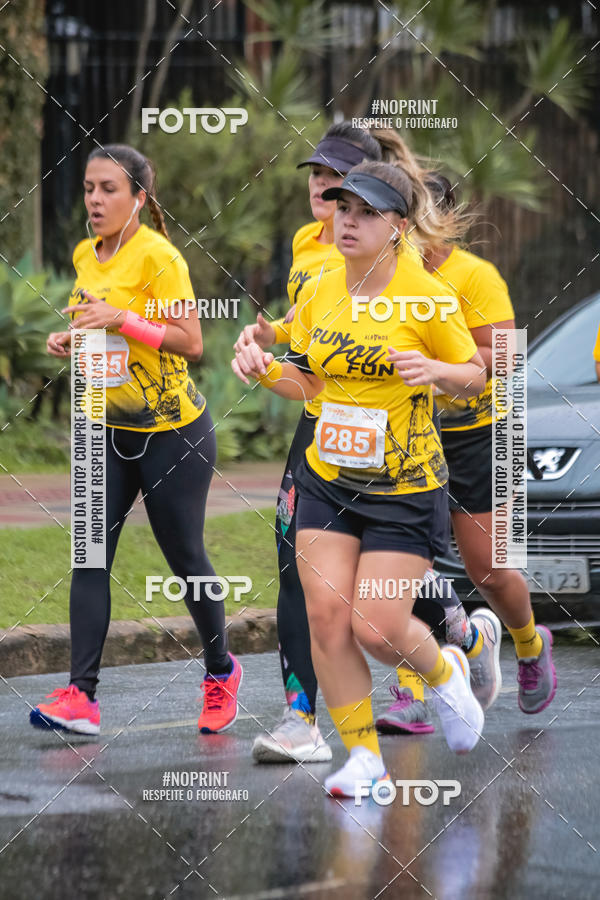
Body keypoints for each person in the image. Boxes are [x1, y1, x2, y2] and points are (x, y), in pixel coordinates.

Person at [233, 160, 488, 798]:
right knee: (326, 619)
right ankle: (364, 755)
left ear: (398, 226)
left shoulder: (426, 297)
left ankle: (445, 671)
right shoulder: (321, 287)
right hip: (329, 479)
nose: (347, 220)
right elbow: (311, 383)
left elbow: (476, 375)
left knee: (374, 626)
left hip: (404, 487)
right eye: (344, 207)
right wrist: (264, 363)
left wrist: (434, 371)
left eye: (366, 212)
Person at [30, 144, 241, 736]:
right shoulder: (84, 253)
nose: (95, 200)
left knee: (186, 559)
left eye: (109, 190)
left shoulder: (160, 257)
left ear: (139, 199)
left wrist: (121, 320)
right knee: (90, 554)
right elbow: (94, 318)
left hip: (172, 435)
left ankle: (221, 672)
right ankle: (81, 695)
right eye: (90, 188)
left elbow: (191, 342)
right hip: (104, 428)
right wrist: (71, 334)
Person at [236, 123, 384, 764]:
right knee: (295, 561)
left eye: (338, 175)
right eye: (317, 173)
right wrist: (271, 344)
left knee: (381, 585)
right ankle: (302, 717)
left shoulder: (389, 255)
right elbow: (307, 337)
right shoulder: (304, 244)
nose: (322, 185)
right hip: (317, 425)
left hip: (380, 431)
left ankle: (461, 631)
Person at [391, 172, 555, 717]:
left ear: (439, 220)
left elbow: (505, 358)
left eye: (412, 217)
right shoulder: (384, 277)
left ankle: (531, 644)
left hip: (482, 434)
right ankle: (412, 691)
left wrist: (441, 365)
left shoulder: (474, 276)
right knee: (402, 564)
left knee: (487, 568)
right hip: (409, 437)